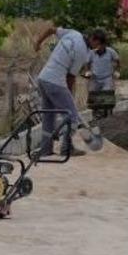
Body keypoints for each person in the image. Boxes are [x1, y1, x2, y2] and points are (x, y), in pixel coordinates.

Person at [33, 25, 99, 157]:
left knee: (49, 117)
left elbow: (50, 29)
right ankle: (66, 148)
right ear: (94, 39)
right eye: (98, 44)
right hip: (55, 82)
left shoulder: (73, 33)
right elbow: (70, 77)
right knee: (72, 116)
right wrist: (68, 94)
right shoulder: (82, 52)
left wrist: (38, 42)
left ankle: (45, 149)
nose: (97, 47)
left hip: (42, 79)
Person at [83, 29, 121, 93]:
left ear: (104, 44)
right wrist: (88, 71)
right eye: (96, 44)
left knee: (107, 95)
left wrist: (117, 71)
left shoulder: (111, 52)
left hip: (107, 79)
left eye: (100, 44)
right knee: (92, 96)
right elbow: (87, 63)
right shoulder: (91, 53)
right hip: (94, 78)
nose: (98, 47)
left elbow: (118, 61)